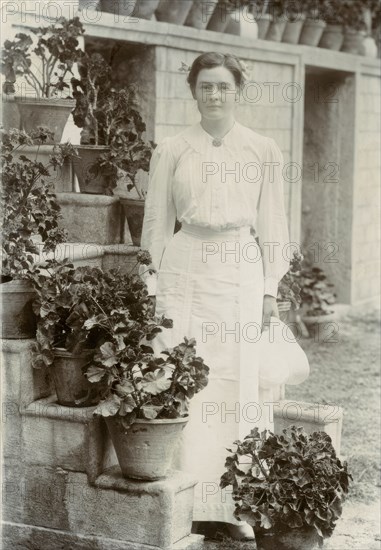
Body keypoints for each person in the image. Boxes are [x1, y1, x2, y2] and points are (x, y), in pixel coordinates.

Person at [140, 52, 290, 541]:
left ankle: (239, 505)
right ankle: (188, 499)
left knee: (238, 380)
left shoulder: (262, 150)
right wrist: (153, 284)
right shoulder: (174, 149)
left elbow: (273, 226)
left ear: (237, 90)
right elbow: (157, 224)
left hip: (240, 271)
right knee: (189, 379)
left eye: (223, 86)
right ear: (193, 91)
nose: (214, 96)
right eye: (205, 86)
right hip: (186, 270)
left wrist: (269, 289)